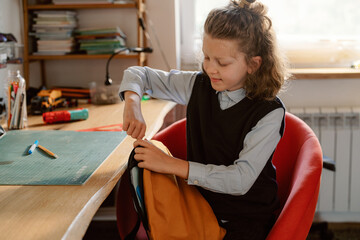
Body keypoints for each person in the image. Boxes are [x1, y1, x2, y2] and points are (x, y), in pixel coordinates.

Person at [119, 0, 289, 239]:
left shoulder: (269, 112)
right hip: (200, 204)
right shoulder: (199, 84)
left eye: (223, 62)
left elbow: (240, 180)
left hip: (244, 219)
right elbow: (138, 74)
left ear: (253, 64)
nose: (210, 69)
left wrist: (171, 165)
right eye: (207, 57)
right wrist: (133, 104)